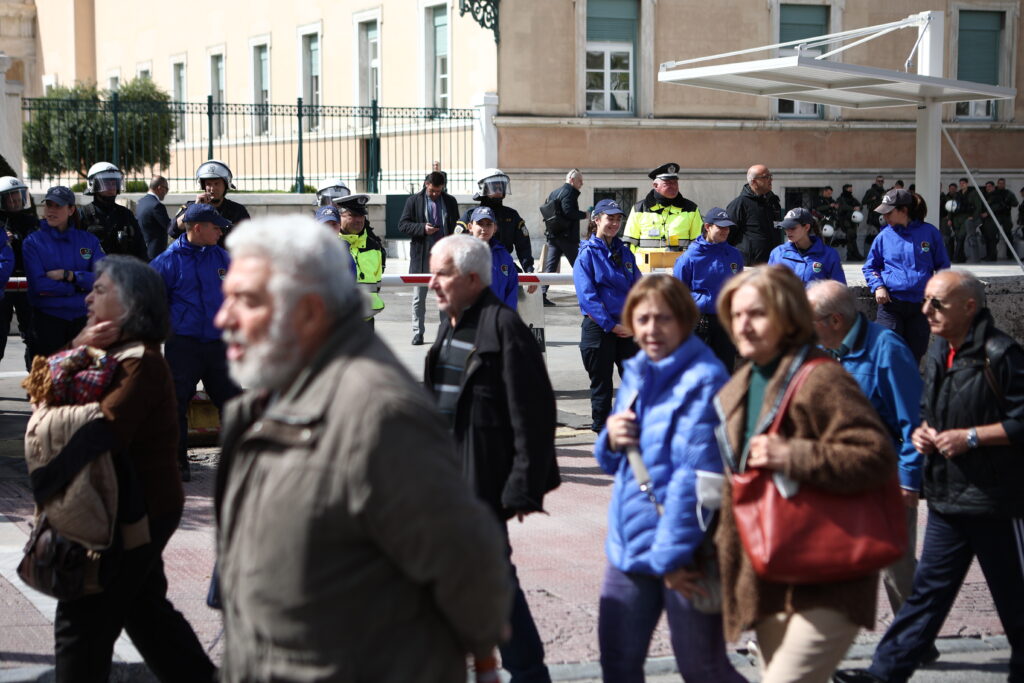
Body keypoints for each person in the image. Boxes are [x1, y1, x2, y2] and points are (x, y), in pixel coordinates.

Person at [214, 217, 511, 682]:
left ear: (309, 311)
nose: (224, 318)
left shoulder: (380, 415)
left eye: (246, 301)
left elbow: (468, 562)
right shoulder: (263, 401)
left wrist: (485, 658)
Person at [834, 271, 1024, 683]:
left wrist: (971, 437)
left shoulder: (1001, 353)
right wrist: (924, 431)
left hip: (995, 500)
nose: (926, 311)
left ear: (969, 307)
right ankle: (885, 673)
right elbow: (926, 411)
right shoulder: (939, 352)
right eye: (925, 302)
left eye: (937, 303)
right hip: (946, 497)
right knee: (924, 595)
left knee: (1014, 599)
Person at [714, 265, 897, 683]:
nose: (744, 324)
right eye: (736, 314)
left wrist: (793, 454)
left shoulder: (820, 378)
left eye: (757, 313)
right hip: (767, 577)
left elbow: (874, 456)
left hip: (825, 578)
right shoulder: (739, 385)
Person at [44, 255, 216, 683]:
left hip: (133, 510)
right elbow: (43, 389)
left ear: (131, 303)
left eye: (101, 290)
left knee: (80, 618)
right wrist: (81, 344)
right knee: (144, 611)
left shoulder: (140, 361)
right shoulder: (102, 350)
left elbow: (101, 431)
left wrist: (46, 472)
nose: (88, 296)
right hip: (113, 502)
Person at [594, 275, 746, 683]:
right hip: (629, 545)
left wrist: (670, 561)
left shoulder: (705, 380)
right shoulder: (639, 370)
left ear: (684, 320)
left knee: (703, 668)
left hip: (686, 553)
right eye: (641, 319)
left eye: (662, 319)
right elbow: (617, 464)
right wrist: (610, 439)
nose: (650, 329)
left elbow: (699, 480)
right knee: (619, 664)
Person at [424, 234, 559, 683]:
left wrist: (522, 486)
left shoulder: (504, 328)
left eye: (441, 274)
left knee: (495, 582)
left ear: (473, 279)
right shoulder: (450, 326)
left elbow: (534, 414)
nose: (431, 283)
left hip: (480, 486)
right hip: (444, 485)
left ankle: (526, 672)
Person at [806, 280, 937, 666]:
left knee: (896, 572)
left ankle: (917, 640)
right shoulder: (827, 350)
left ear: (833, 319)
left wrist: (908, 481)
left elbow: (913, 424)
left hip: (886, 481)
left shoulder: (887, 350)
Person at [150, 202, 241, 481]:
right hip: (184, 346)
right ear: (197, 227)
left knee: (234, 402)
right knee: (174, 403)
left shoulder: (223, 258)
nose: (220, 231)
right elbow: (152, 302)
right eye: (216, 227)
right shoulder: (167, 261)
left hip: (218, 346)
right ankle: (178, 462)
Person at [573, 199, 641, 433]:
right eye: (609, 218)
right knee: (601, 384)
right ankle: (601, 428)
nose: (614, 223)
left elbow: (639, 289)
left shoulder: (625, 253)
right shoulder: (587, 255)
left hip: (627, 328)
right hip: (600, 328)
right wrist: (611, 325)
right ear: (597, 220)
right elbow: (588, 296)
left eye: (618, 219)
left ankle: (633, 425)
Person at [863, 189, 950, 363]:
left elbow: (943, 267)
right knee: (888, 353)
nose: (885, 217)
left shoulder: (930, 233)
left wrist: (938, 296)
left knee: (915, 354)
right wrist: (878, 286)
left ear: (904, 210)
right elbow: (870, 266)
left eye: (889, 212)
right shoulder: (883, 236)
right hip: (891, 306)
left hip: (921, 306)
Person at [24, 187, 105, 358]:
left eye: (58, 206)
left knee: (82, 379)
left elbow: (102, 279)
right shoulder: (33, 242)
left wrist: (70, 275)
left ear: (71, 210)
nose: (51, 210)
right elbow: (38, 285)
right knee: (47, 380)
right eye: (49, 205)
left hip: (83, 322)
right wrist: (77, 288)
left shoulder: (89, 241)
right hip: (47, 322)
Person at [672, 207, 743, 370]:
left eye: (727, 228)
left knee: (725, 369)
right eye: (721, 227)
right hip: (699, 321)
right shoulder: (689, 257)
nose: (725, 231)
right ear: (708, 227)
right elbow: (678, 294)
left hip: (725, 320)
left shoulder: (734, 255)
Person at [399, 170, 459, 345]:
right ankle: (418, 333)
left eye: (438, 191)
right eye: (432, 190)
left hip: (445, 257)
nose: (435, 194)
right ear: (426, 184)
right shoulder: (413, 201)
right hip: (421, 256)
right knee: (419, 297)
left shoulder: (450, 201)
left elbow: (457, 224)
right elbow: (402, 225)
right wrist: (422, 228)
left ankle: (446, 332)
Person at [458, 168, 535, 277]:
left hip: (504, 265)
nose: (499, 190)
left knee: (518, 291)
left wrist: (529, 270)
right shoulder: (471, 215)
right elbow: (457, 245)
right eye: (494, 186)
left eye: (501, 186)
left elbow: (523, 245)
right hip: (477, 268)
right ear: (482, 188)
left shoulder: (511, 215)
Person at [622, 163, 702, 256]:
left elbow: (698, 243)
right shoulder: (639, 209)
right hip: (645, 268)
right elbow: (629, 243)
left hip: (678, 267)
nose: (673, 186)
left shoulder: (691, 209)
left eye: (675, 182)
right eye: (668, 183)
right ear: (655, 185)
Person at [0, 175, 39, 367]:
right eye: (11, 198)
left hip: (26, 283)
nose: (15, 202)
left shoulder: (31, 221)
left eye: (18, 197)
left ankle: (35, 380)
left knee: (33, 335)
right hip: (2, 286)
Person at [168, 159, 249, 246]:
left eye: (216, 184)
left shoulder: (237, 210)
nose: (212, 188)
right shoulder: (191, 206)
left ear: (225, 185)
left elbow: (247, 238)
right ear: (203, 186)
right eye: (208, 184)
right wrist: (195, 208)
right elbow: (173, 231)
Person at [77, 162, 147, 259]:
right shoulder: (83, 214)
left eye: (114, 183)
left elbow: (141, 249)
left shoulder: (126, 214)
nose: (111, 188)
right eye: (105, 183)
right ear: (92, 184)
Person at [336, 193, 386, 324]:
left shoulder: (374, 246)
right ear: (339, 216)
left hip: (366, 319)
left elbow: (377, 283)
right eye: (352, 215)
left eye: (362, 215)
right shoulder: (330, 244)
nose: (359, 220)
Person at [541, 169, 587, 306]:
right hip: (567, 238)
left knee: (550, 268)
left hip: (554, 236)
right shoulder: (569, 193)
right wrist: (584, 215)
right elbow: (569, 212)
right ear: (572, 180)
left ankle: (542, 295)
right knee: (580, 266)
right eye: (580, 181)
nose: (582, 184)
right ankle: (586, 296)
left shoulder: (555, 192)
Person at [768, 207, 846, 286]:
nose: (788, 232)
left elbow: (840, 290)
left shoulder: (829, 255)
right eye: (786, 227)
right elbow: (767, 288)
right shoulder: (777, 253)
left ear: (806, 227)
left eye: (792, 228)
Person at [726, 164, 783, 265]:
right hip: (749, 265)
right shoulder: (740, 204)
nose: (771, 180)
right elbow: (728, 235)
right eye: (766, 177)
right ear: (754, 182)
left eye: (771, 176)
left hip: (773, 262)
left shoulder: (773, 202)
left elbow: (778, 230)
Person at [466, 206, 518, 310]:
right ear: (470, 227)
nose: (484, 228)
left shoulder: (503, 255)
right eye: (480, 224)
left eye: (489, 224)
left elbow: (512, 288)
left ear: (495, 229)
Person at [135, 176, 171, 260]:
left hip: (143, 251)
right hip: (155, 254)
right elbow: (170, 227)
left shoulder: (141, 202)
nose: (166, 192)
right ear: (160, 188)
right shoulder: (156, 205)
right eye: (166, 189)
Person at [949, 177, 978, 263]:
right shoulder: (957, 194)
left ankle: (956, 257)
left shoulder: (972, 193)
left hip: (966, 217)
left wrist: (973, 216)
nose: (962, 185)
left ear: (967, 184)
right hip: (957, 219)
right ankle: (961, 257)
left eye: (963, 183)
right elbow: (952, 206)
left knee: (961, 237)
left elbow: (978, 206)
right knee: (958, 238)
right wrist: (950, 218)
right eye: (960, 183)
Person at [860, 175, 886, 254]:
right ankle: (867, 252)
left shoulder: (884, 191)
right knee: (871, 235)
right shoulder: (870, 191)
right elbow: (863, 201)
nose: (880, 183)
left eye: (882, 181)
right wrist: (871, 199)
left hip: (881, 216)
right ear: (876, 181)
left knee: (881, 235)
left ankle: (880, 252)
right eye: (879, 181)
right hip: (873, 216)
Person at [837, 183, 863, 261]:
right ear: (845, 189)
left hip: (853, 221)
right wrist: (853, 208)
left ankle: (853, 255)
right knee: (850, 237)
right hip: (845, 221)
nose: (851, 190)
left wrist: (858, 207)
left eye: (851, 189)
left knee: (852, 237)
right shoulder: (841, 199)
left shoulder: (852, 198)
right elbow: (843, 207)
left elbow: (859, 205)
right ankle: (852, 255)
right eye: (849, 189)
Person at [938, 182, 957, 258]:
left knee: (946, 238)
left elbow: (949, 209)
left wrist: (948, 217)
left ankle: (948, 255)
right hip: (938, 219)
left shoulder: (945, 197)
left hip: (944, 220)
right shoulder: (940, 196)